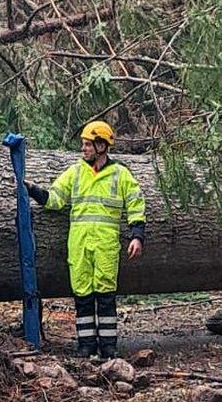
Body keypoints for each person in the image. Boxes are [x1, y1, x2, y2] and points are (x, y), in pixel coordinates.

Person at [25, 121, 146, 358]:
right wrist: (31, 189)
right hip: (79, 245)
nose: (84, 149)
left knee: (106, 296)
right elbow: (54, 199)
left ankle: (109, 346)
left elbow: (135, 204)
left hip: (105, 246)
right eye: (83, 144)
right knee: (82, 296)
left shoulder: (120, 175)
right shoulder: (76, 171)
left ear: (102, 146)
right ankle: (86, 345)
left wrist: (137, 236)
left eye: (88, 144)